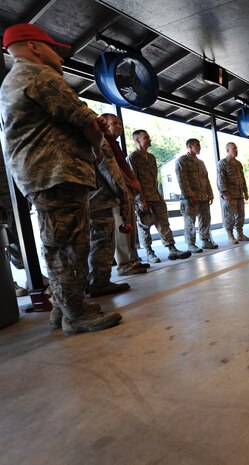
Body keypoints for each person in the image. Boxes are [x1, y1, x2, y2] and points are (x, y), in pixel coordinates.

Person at [0, 23, 122, 334]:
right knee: (70, 244)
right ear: (35, 47)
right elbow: (86, 121)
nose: (60, 57)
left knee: (58, 242)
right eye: (54, 49)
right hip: (57, 172)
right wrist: (96, 147)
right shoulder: (41, 75)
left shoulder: (11, 82)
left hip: (40, 174)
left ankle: (65, 306)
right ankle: (75, 314)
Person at [128, 130, 191, 262]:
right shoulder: (132, 158)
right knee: (144, 226)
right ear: (137, 141)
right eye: (146, 138)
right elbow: (133, 180)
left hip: (156, 196)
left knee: (164, 223)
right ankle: (149, 252)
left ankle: (171, 249)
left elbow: (154, 179)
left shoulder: (152, 158)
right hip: (143, 198)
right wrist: (139, 200)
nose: (149, 140)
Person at [100, 113, 149, 276]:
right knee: (121, 227)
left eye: (120, 123)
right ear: (105, 124)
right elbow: (113, 168)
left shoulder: (115, 144)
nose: (119, 127)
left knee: (130, 226)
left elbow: (123, 166)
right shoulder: (103, 142)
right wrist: (130, 182)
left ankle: (133, 259)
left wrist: (133, 183)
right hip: (115, 191)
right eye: (114, 123)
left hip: (125, 190)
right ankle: (124, 264)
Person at [87, 126, 132, 298]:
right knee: (101, 242)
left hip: (78, 198)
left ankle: (83, 284)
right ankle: (100, 282)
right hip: (99, 199)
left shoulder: (61, 137)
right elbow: (110, 170)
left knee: (80, 244)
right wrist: (123, 196)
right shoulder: (95, 138)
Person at [175, 138, 218, 252]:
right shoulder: (182, 161)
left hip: (203, 196)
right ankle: (191, 244)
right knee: (190, 221)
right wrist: (190, 195)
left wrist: (210, 194)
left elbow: (206, 179)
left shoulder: (200, 162)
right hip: (190, 198)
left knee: (205, 219)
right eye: (197, 145)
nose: (199, 147)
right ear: (190, 147)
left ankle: (205, 240)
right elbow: (182, 180)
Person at [217, 142, 249, 244]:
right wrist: (225, 193)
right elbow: (221, 180)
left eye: (236, 148)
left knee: (240, 216)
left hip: (239, 194)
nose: (236, 150)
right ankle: (230, 236)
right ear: (227, 151)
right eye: (233, 149)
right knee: (229, 217)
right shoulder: (222, 163)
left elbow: (242, 179)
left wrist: (245, 191)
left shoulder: (238, 164)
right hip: (230, 195)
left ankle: (240, 234)